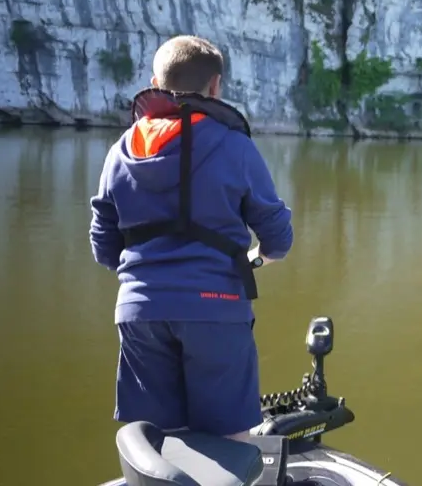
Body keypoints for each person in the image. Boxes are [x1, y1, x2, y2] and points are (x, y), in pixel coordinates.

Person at [88, 35, 294, 441]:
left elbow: (103, 245)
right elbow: (278, 237)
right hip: (216, 309)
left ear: (154, 83)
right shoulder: (234, 145)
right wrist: (257, 259)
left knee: (162, 443)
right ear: (215, 86)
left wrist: (147, 279)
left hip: (139, 311)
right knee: (232, 443)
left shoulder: (120, 150)